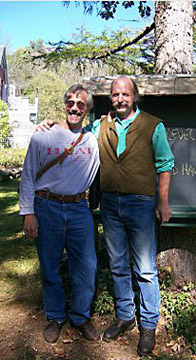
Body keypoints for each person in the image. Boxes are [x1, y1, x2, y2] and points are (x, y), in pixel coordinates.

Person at [39, 76, 174, 356]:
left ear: (135, 97)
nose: (120, 98)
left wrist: (163, 202)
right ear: (111, 98)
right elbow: (73, 127)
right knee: (118, 264)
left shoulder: (153, 125)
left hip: (141, 203)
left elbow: (165, 165)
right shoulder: (100, 125)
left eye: (125, 94)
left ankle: (148, 325)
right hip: (110, 205)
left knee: (146, 269)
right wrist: (50, 124)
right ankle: (125, 315)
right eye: (115, 94)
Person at [19, 84, 100, 344]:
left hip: (79, 209)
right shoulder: (43, 135)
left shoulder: (93, 138)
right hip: (47, 207)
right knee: (50, 266)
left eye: (81, 104)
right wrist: (28, 213)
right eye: (71, 102)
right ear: (65, 104)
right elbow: (28, 175)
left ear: (88, 110)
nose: (75, 108)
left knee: (87, 267)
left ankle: (80, 316)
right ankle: (55, 316)